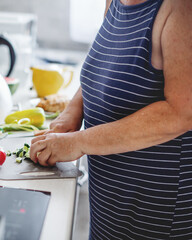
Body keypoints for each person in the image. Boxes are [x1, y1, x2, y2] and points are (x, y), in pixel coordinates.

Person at [30, 0, 192, 239]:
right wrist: (71, 113)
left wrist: (78, 142)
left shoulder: (180, 8)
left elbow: (182, 113)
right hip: (110, 208)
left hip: (157, 215)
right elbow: (105, 66)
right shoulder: (115, 2)